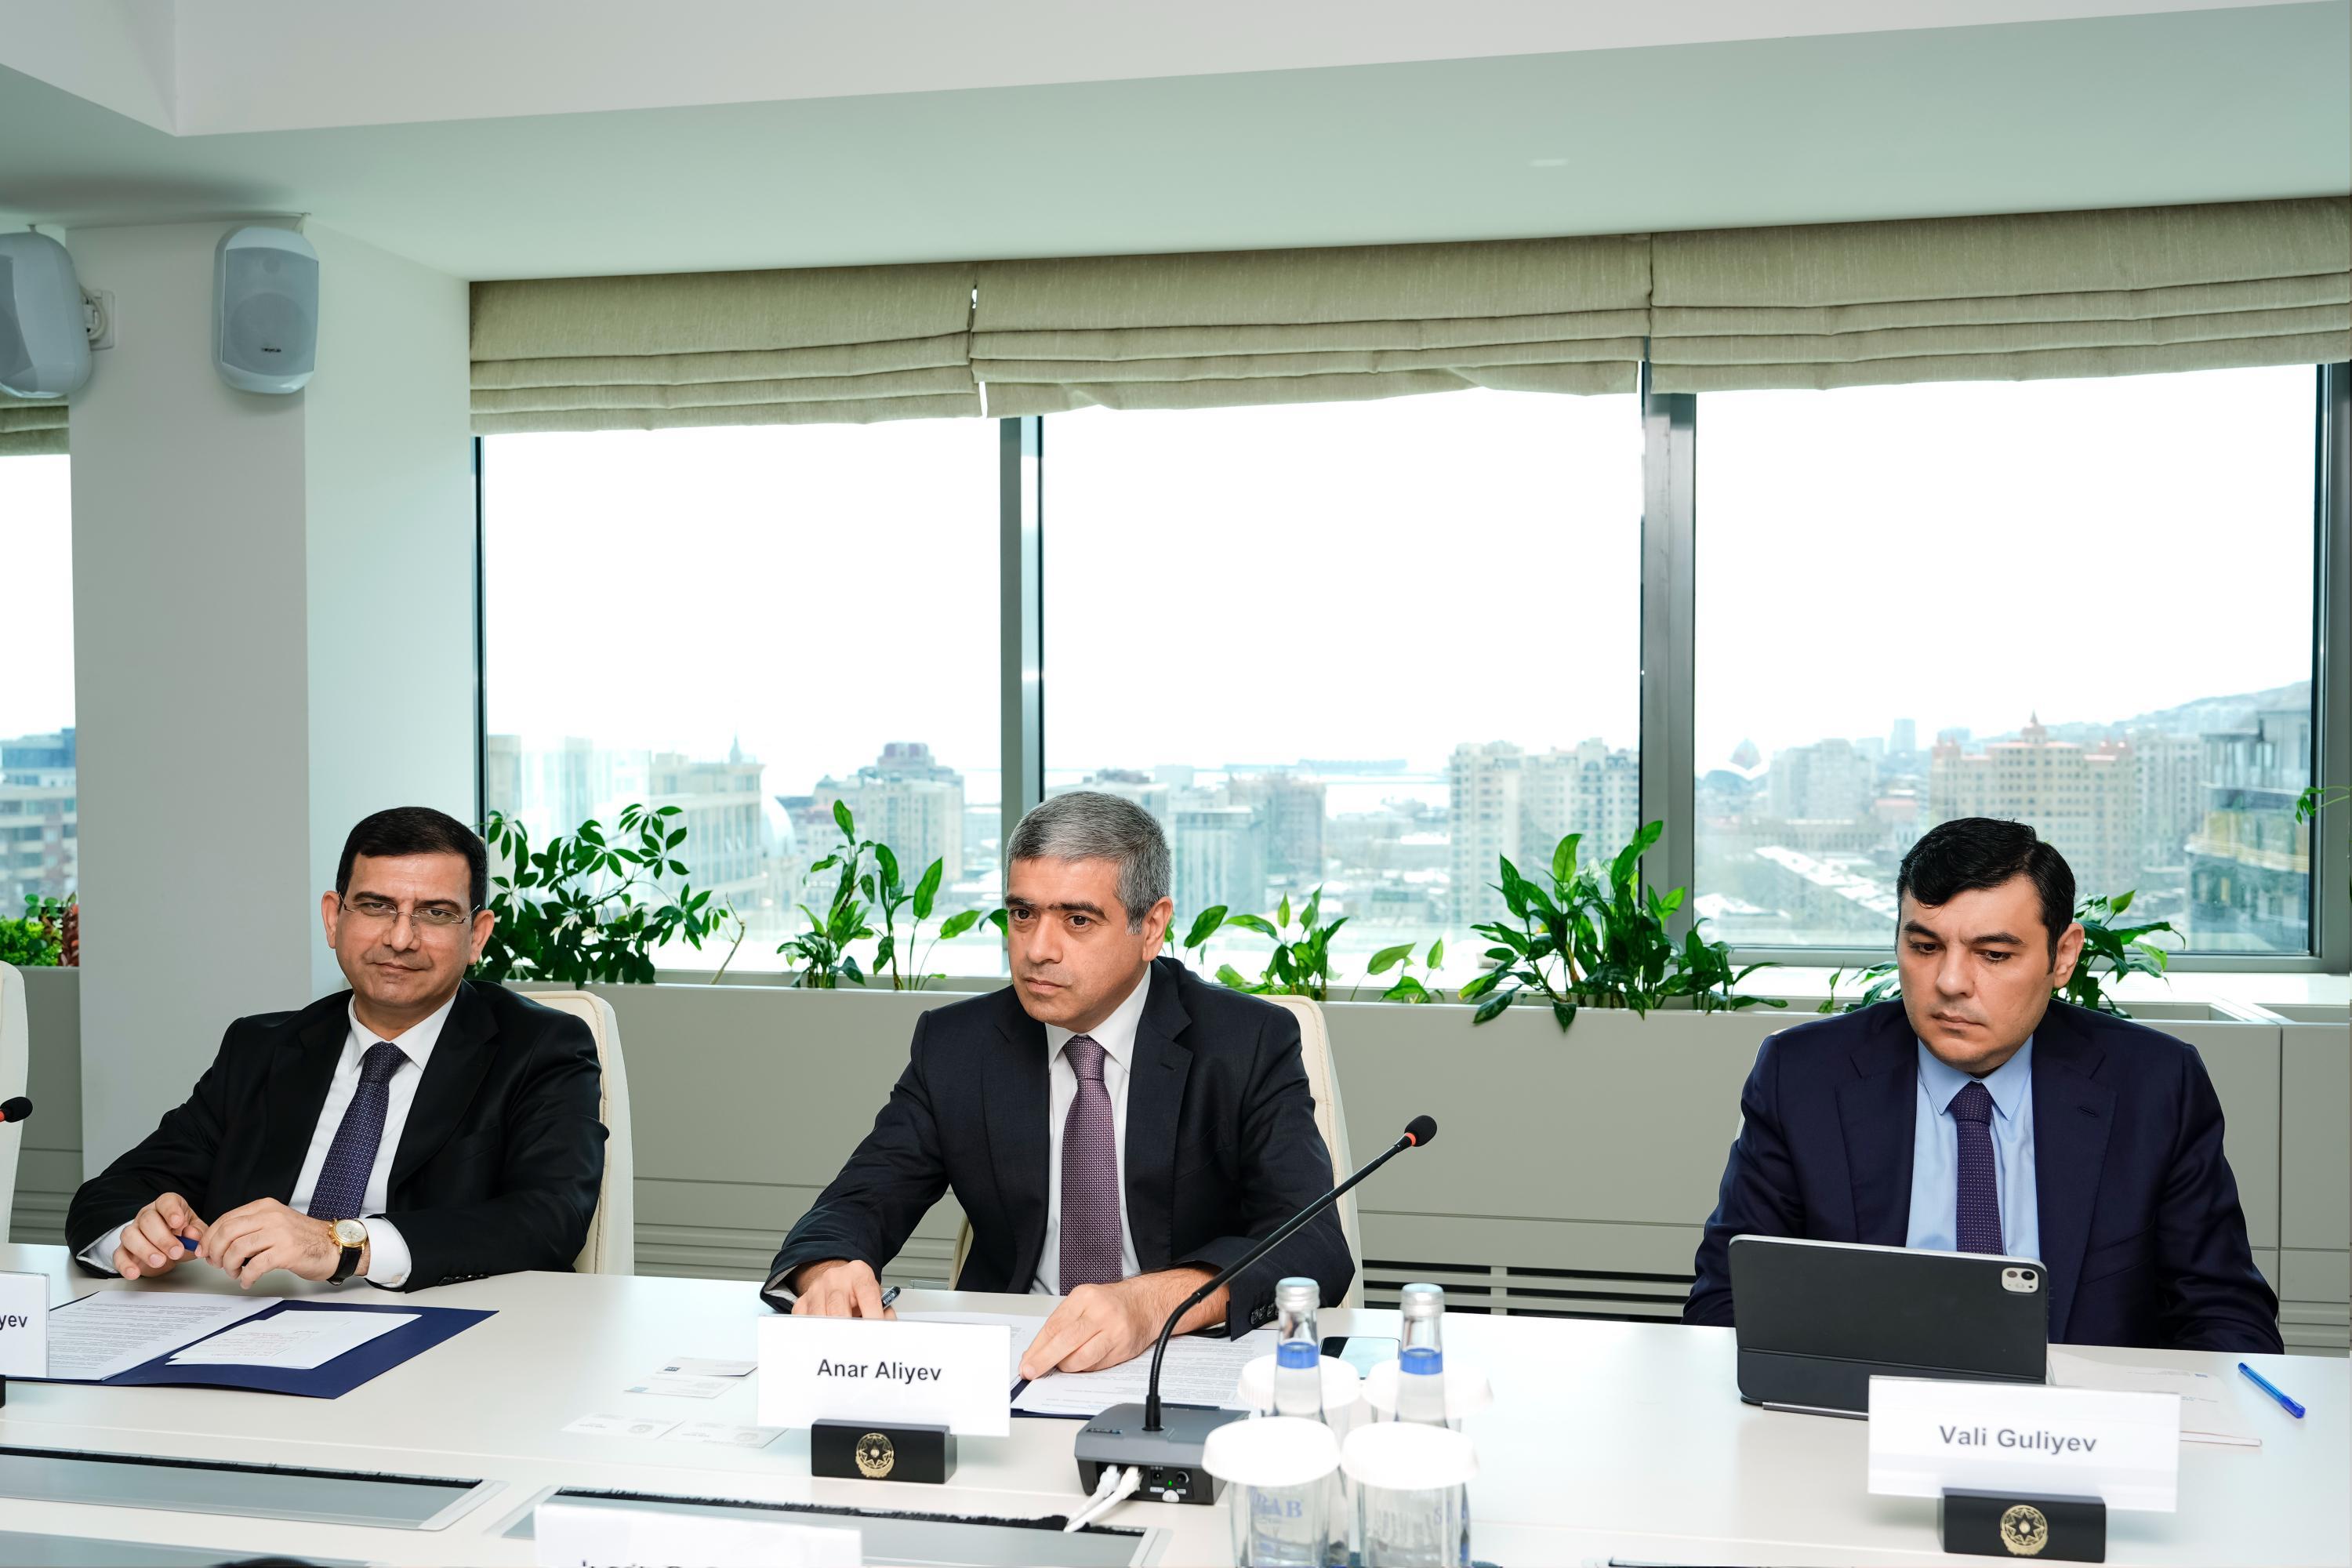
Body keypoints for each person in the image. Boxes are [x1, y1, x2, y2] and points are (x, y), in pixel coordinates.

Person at [764, 791, 1352, 1380]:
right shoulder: (958, 1046)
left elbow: (1313, 1242)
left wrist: (1153, 1303)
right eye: (1023, 914)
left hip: (1180, 1358)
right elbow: (856, 1203)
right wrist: (830, 1271)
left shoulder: (1246, 1042)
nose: (1037, 950)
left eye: (1078, 920)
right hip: (1013, 1359)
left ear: (1151, 927)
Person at [1686, 816, 2280, 1352]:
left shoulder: (2155, 1087)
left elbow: (2226, 1317)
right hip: (1861, 1416)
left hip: (2079, 1419)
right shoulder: (1802, 1078)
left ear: (2063, 956)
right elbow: (1727, 1305)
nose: (1949, 982)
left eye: (1993, 954)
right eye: (1924, 947)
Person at [67, 807, 607, 1292]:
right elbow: (109, 1195)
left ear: (478, 935)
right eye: (376, 906)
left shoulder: (539, 1047)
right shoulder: (261, 1048)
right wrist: (140, 1237)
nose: (400, 938)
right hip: (252, 1323)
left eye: (436, 913)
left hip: (442, 1335)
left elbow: (550, 1218)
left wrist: (343, 1246)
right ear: (333, 918)